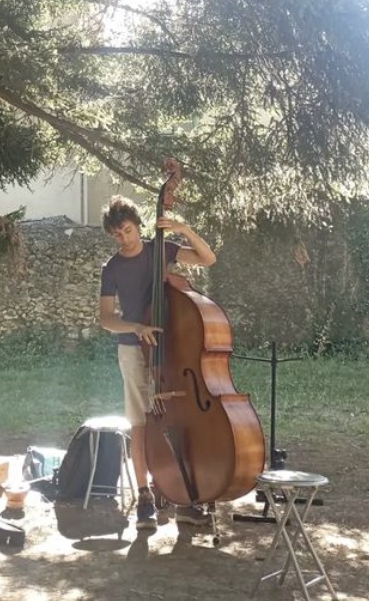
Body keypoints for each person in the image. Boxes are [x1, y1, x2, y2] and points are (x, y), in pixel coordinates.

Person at [99, 194, 216, 531]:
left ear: (138, 224)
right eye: (117, 235)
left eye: (127, 230)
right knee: (139, 422)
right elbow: (107, 318)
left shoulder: (161, 249)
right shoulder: (112, 268)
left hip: (172, 349)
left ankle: (183, 498)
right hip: (133, 350)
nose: (124, 238)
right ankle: (144, 498)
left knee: (179, 418)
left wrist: (182, 228)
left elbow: (208, 258)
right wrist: (136, 327)